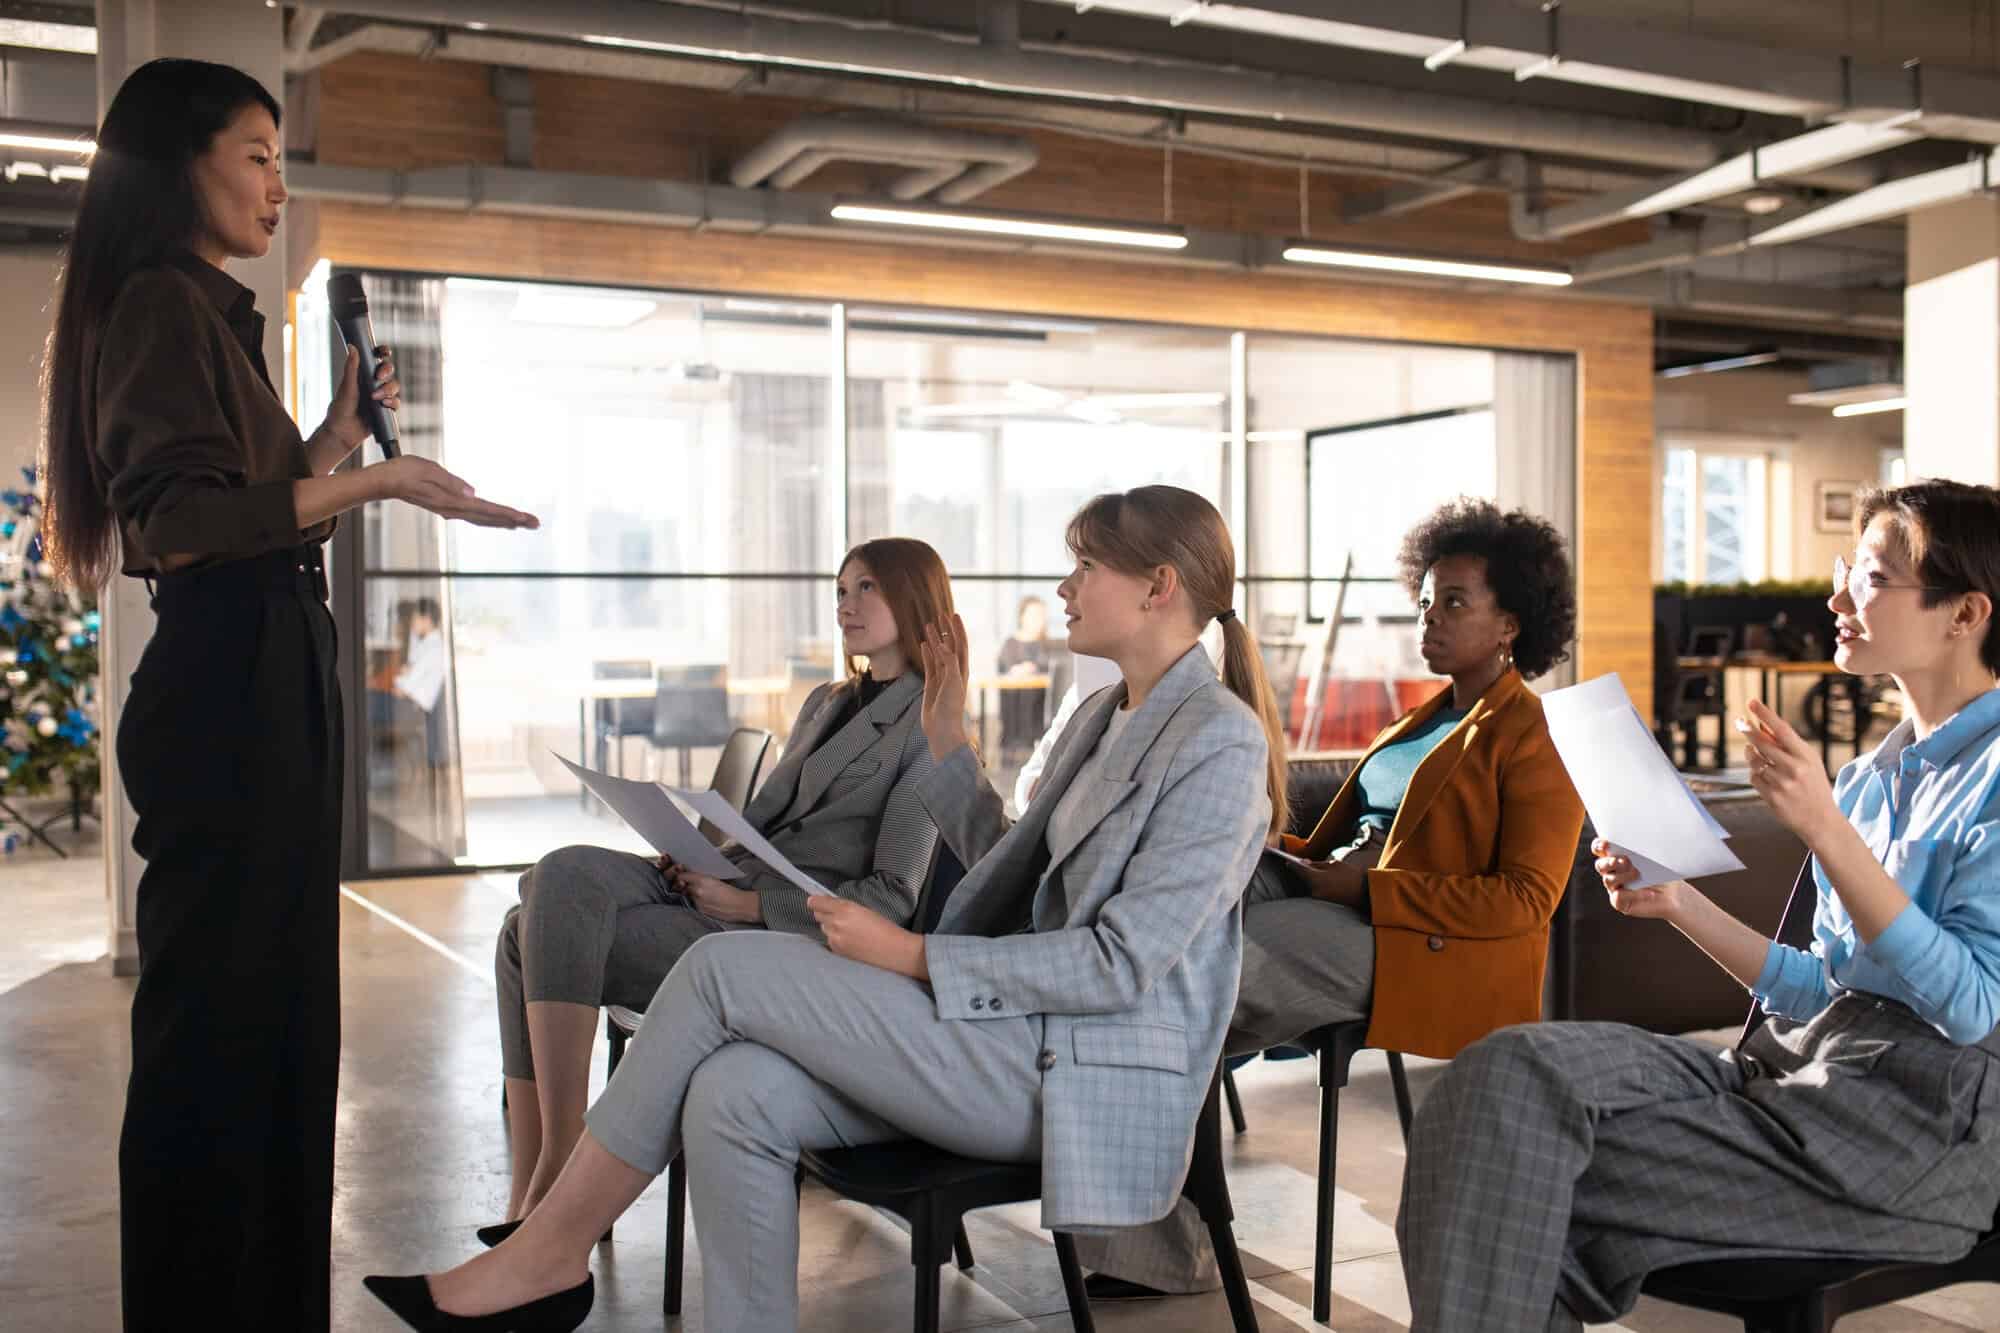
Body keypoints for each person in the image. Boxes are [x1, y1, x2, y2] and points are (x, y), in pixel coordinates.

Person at [363, 484, 1289, 1333]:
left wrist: (912, 956)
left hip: (1074, 1068)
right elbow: (1018, 863)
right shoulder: (1107, 714)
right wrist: (948, 745)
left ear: (1159, 585)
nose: (1063, 584)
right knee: (733, 1093)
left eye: (1085, 565)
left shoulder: (1218, 744)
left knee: (720, 967)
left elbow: (1120, 964)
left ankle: (548, 1254)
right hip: (1005, 1032)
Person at [36, 58, 536, 1332]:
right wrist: (380, 482)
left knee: (273, 1031)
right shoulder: (155, 304)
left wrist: (330, 439)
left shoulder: (204, 318)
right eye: (255, 154)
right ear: (177, 164)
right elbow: (187, 529)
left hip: (262, 672)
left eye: (278, 156)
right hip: (226, 686)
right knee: (219, 1043)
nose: (276, 183)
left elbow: (246, 508)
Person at [1398, 478, 2000, 1331]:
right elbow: (1816, 990)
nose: (1835, 596)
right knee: (1496, 1077)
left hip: (1915, 1123)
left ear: (1965, 612)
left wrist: (1827, 832)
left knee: (1510, 1168)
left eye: (1868, 576)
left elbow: (1975, 1008)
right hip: (1789, 1070)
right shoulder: (1868, 781)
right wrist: (1679, 904)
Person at [1076, 498, 1587, 1297]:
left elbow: (1525, 903)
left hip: (1419, 949)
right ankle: (1134, 1209)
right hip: (1345, 900)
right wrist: (1291, 856)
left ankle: (1164, 1243)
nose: (1430, 619)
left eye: (1455, 602)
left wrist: (1373, 888)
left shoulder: (1533, 736)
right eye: (1425, 600)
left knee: (1184, 975)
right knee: (1154, 925)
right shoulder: (1425, 717)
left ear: (1513, 622)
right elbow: (1360, 832)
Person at [487, 537, 956, 1234]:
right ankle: (543, 1172)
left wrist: (745, 903)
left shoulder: (930, 727)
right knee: (559, 869)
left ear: (914, 598)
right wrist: (703, 857)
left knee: (521, 937)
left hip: (773, 934)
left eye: (868, 589)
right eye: (841, 589)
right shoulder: (827, 702)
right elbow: (770, 822)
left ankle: (548, 1190)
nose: (846, 605)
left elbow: (891, 896)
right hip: (723, 886)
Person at [996, 593, 1056, 754]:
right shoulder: (1010, 644)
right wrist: (1018, 670)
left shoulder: (1047, 645)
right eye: (1034, 615)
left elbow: (1051, 669)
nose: (1039, 619)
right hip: (1013, 718)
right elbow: (1004, 671)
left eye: (1042, 615)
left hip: (1039, 717)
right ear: (1022, 616)